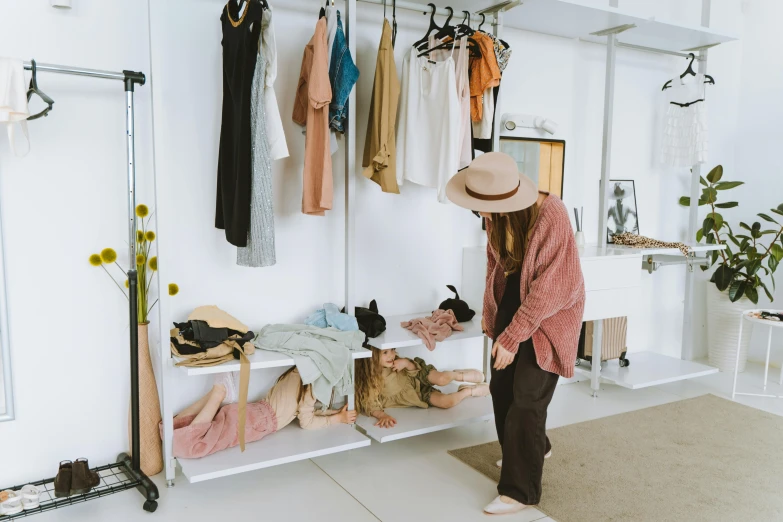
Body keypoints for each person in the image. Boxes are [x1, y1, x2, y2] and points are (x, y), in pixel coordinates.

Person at [446, 152, 585, 515]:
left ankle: (519, 492)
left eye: (487, 209)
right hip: (516, 301)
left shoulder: (552, 214)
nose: (484, 216)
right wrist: (493, 316)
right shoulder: (496, 215)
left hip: (552, 311)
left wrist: (512, 337)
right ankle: (530, 449)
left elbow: (553, 288)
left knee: (528, 394)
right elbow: (496, 267)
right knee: (501, 386)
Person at [165, 368, 356, 459]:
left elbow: (307, 411)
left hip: (252, 414)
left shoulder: (300, 373)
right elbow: (306, 421)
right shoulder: (312, 382)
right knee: (189, 447)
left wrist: (333, 413)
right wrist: (337, 418)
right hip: (256, 422)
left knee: (169, 432)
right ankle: (219, 392)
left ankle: (218, 393)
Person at [355, 348, 488, 428]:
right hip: (418, 394)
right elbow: (371, 403)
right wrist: (382, 415)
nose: (392, 355)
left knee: (442, 379)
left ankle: (459, 375)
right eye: (385, 352)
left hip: (419, 376)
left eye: (393, 350)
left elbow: (414, 370)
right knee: (447, 402)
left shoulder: (397, 361)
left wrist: (406, 363)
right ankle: (468, 391)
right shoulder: (372, 377)